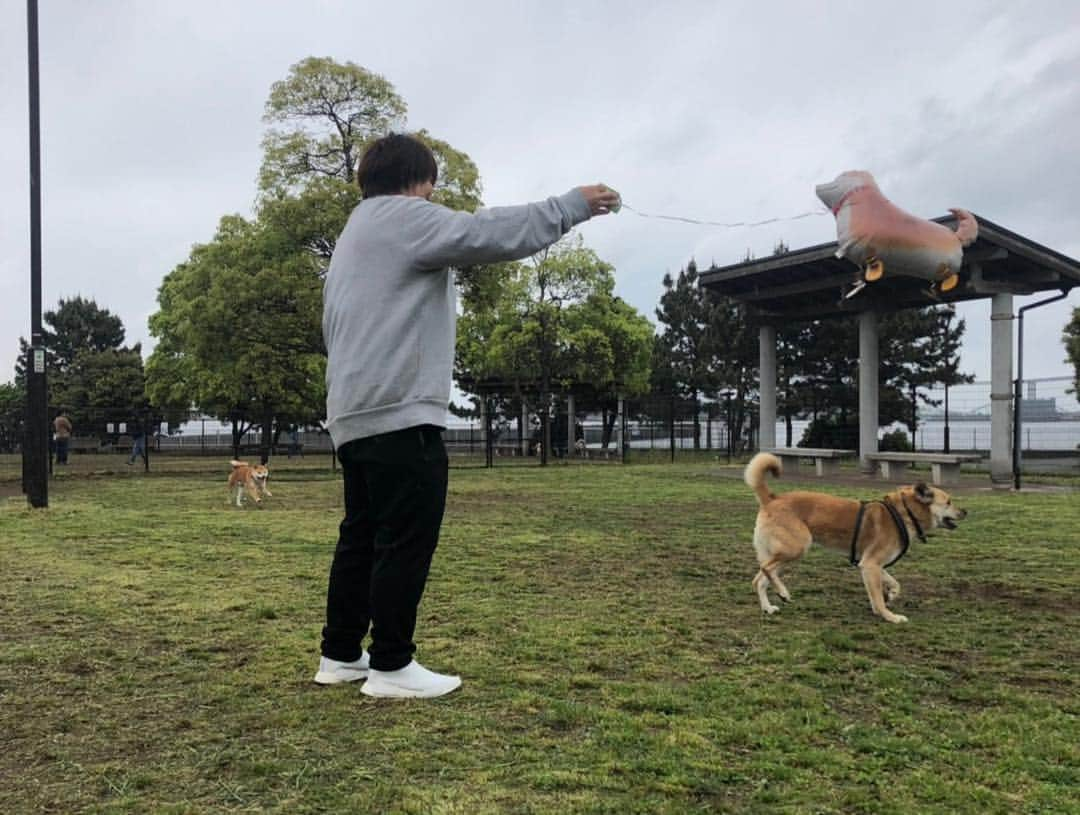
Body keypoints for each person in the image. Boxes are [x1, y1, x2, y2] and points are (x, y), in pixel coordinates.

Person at [315, 132, 619, 697]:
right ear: (418, 181)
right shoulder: (404, 218)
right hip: (399, 410)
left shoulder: (353, 236)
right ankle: (391, 666)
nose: (434, 197)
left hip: (352, 414)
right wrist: (572, 206)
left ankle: (340, 655)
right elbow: (485, 232)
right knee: (406, 536)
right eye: (431, 186)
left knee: (360, 535)